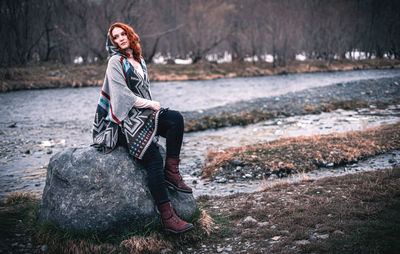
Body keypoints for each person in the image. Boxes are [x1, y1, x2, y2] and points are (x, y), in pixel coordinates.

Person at [92, 22, 194, 234]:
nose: (120, 38)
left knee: (176, 119)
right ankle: (168, 218)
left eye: (122, 34)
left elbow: (143, 92)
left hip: (143, 116)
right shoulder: (115, 61)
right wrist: (151, 105)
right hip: (122, 123)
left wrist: (151, 108)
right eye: (115, 37)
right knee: (154, 158)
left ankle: (172, 172)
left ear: (129, 34)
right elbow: (122, 97)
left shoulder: (139, 60)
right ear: (112, 43)